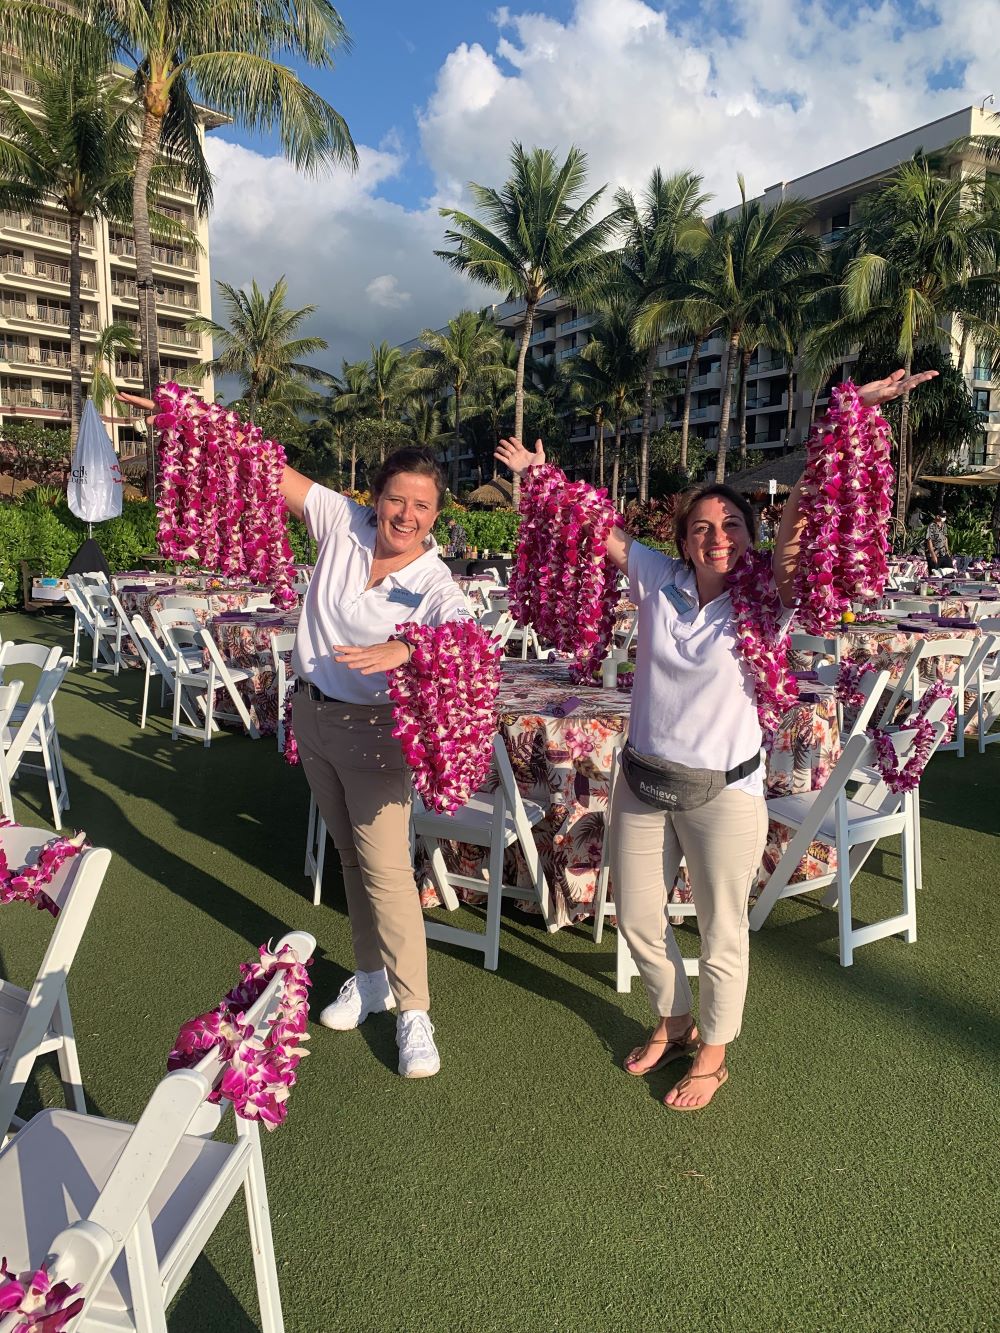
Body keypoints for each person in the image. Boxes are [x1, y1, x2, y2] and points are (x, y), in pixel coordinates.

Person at [495, 368, 937, 1111]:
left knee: (720, 928)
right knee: (637, 916)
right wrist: (542, 474)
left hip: (724, 793)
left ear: (752, 537)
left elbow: (800, 517)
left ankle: (716, 1052)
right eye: (703, 526)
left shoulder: (770, 598)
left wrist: (848, 415)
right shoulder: (655, 579)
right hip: (642, 778)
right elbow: (595, 531)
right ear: (683, 537)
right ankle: (673, 1020)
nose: (717, 537)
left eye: (732, 526)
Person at [117, 387, 469, 1079]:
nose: (406, 513)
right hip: (313, 714)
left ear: (435, 516)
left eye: (422, 505)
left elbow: (462, 631)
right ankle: (370, 977)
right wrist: (190, 416)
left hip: (374, 735)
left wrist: (409, 650)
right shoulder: (341, 521)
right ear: (376, 496)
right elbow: (262, 467)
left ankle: (414, 1010)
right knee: (349, 857)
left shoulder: (432, 578)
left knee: (389, 871)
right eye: (397, 498)